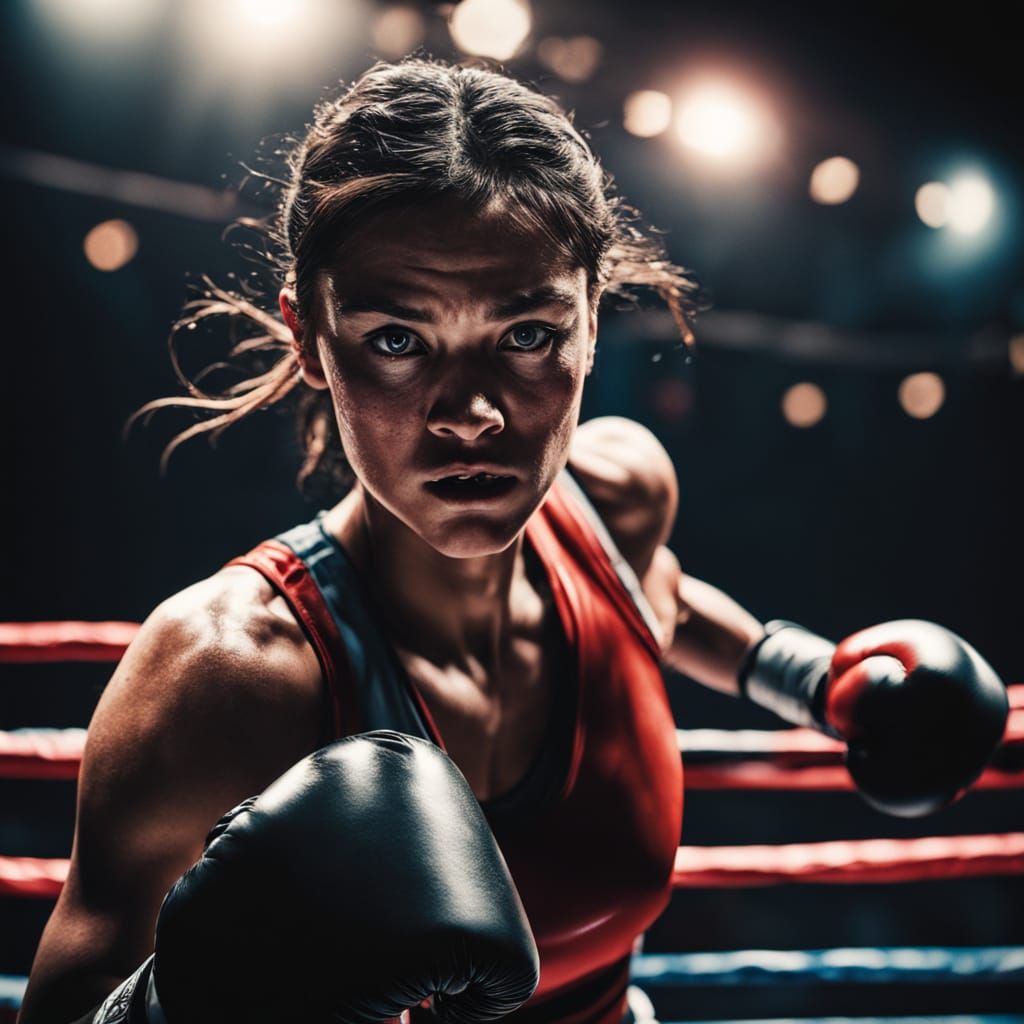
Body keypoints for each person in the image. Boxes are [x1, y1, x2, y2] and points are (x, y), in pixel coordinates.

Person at [17, 57, 1008, 1024]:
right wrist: (185, 1000)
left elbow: (655, 595)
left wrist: (805, 675)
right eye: (397, 340)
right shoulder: (226, 676)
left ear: (589, 324)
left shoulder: (616, 501)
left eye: (526, 334)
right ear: (307, 339)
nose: (471, 414)